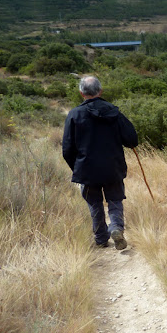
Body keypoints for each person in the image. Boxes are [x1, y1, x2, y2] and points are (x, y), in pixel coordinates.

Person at [62, 75, 138, 249]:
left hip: (87, 170)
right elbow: (132, 139)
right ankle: (116, 228)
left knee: (94, 203)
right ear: (100, 91)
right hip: (113, 167)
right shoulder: (114, 111)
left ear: (81, 93)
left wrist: (77, 168)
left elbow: (67, 149)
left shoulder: (74, 114)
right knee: (115, 200)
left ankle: (101, 238)